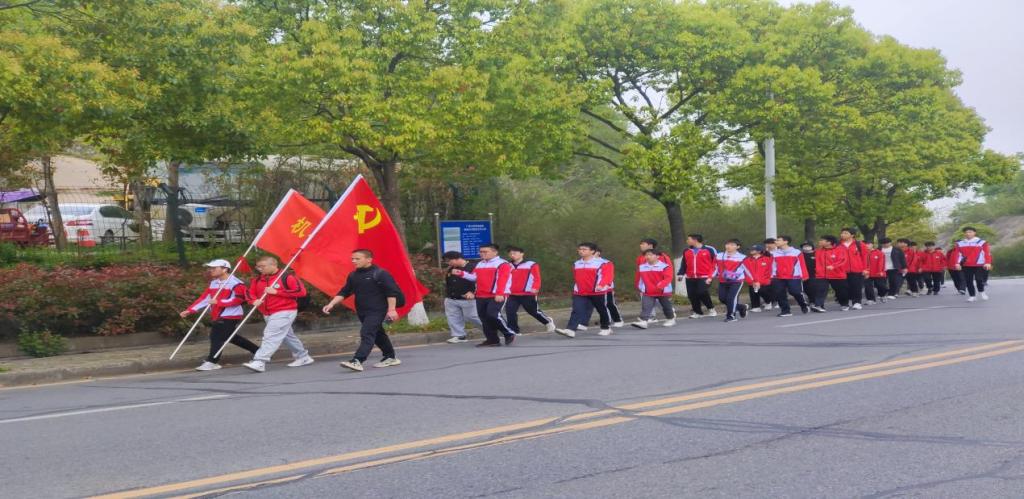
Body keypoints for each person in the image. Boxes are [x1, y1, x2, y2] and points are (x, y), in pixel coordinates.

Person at [326, 249, 403, 371]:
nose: (354, 261)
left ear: (369, 259)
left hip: (377, 310)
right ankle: (390, 357)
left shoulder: (380, 273)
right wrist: (331, 304)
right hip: (362, 311)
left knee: (367, 333)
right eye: (352, 259)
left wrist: (392, 310)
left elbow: (391, 292)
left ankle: (357, 360)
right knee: (378, 334)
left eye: (357, 259)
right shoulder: (353, 275)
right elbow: (345, 291)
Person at [180, 259, 259, 371]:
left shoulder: (236, 283)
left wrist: (219, 302)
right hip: (217, 313)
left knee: (216, 336)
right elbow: (205, 298)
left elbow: (239, 299)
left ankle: (212, 361)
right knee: (231, 337)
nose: (211, 270)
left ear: (225, 269)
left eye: (214, 268)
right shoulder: (214, 283)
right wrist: (190, 310)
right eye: (210, 268)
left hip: (231, 314)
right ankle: (258, 351)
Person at [242, 256, 315, 373]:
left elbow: (301, 292)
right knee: (287, 336)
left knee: (270, 335)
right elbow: (250, 293)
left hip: (285, 311)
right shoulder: (257, 280)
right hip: (267, 313)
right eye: (258, 267)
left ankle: (260, 361)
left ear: (273, 265)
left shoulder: (287, 277)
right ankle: (303, 356)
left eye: (262, 266)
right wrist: (253, 301)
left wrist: (277, 292)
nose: (260, 269)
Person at [454, 243, 515, 346]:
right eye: (481, 252)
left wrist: (500, 293)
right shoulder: (480, 264)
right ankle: (492, 340)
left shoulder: (502, 264)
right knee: (484, 318)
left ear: (495, 252)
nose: (482, 254)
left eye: (485, 252)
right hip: (481, 295)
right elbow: (474, 277)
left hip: (496, 295)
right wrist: (461, 273)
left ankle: (508, 333)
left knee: (493, 315)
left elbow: (503, 280)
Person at [555, 242, 613, 338]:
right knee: (577, 309)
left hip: (597, 292)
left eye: (584, 249)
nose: (581, 251)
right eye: (580, 249)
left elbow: (607, 276)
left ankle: (606, 327)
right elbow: (576, 277)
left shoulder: (603, 263)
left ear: (592, 251)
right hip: (580, 292)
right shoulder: (577, 263)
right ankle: (570, 330)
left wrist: (601, 285)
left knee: (601, 310)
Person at [505, 246, 556, 334]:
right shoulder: (507, 265)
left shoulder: (531, 264)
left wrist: (535, 287)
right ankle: (514, 331)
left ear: (522, 254)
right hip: (512, 294)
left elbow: (537, 277)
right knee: (510, 312)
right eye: (510, 254)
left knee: (533, 311)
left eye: (514, 253)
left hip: (528, 293)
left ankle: (547, 321)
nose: (512, 255)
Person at [711, 239, 757, 322]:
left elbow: (748, 270)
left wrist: (754, 280)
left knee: (731, 298)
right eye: (727, 244)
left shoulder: (742, 257)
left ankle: (731, 316)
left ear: (738, 247)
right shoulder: (719, 255)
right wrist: (710, 277)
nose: (729, 246)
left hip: (736, 281)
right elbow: (715, 268)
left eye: (732, 245)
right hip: (723, 280)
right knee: (722, 298)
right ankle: (741, 307)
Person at [441, 251, 482, 344]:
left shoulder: (473, 267)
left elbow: (479, 281)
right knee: (453, 317)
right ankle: (459, 335)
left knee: (473, 316)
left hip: (468, 298)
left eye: (449, 261)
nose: (448, 263)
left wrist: (473, 292)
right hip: (451, 297)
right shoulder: (451, 268)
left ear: (457, 258)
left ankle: (490, 330)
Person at [632, 249, 676, 329]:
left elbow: (668, 278)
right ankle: (643, 321)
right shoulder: (642, 267)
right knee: (646, 306)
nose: (648, 257)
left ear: (657, 256)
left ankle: (670, 319)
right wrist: (639, 287)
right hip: (648, 291)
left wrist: (661, 285)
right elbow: (640, 279)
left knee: (666, 307)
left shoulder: (665, 266)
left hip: (663, 291)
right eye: (646, 255)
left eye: (650, 255)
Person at [677, 234, 717, 318]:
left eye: (689, 239)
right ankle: (698, 312)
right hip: (690, 277)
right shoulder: (686, 250)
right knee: (692, 295)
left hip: (705, 276)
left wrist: (711, 276)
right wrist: (681, 274)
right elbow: (684, 263)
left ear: (695, 240)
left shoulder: (709, 249)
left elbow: (715, 263)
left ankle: (711, 308)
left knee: (701, 292)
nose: (687, 241)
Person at [770, 235, 810, 317]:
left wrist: (804, 275)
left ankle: (803, 305)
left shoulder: (796, 252)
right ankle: (786, 311)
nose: (776, 242)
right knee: (779, 293)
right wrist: (772, 275)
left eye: (778, 240)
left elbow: (802, 264)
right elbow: (772, 265)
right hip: (778, 276)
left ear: (786, 241)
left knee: (795, 292)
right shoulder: (774, 253)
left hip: (794, 276)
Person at [952, 226, 993, 302]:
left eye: (970, 232)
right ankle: (972, 296)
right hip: (966, 265)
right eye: (966, 232)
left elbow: (986, 253)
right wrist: (957, 263)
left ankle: (982, 292)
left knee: (979, 279)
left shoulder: (982, 242)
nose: (968, 234)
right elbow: (957, 254)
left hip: (979, 264)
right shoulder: (960, 244)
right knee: (968, 281)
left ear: (974, 233)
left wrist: (988, 263)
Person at [813, 235, 848, 312]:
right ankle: (819, 305)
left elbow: (843, 260)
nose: (820, 242)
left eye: (822, 240)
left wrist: (833, 266)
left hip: (837, 274)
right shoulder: (818, 251)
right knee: (820, 290)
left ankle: (844, 304)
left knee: (840, 291)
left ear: (829, 242)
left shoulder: (839, 250)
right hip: (822, 275)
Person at [838, 228, 869, 309]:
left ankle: (857, 302)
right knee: (843, 288)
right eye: (842, 233)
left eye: (845, 233)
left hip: (857, 270)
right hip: (841, 270)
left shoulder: (859, 244)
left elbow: (865, 257)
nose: (842, 235)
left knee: (856, 287)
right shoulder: (837, 245)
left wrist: (865, 269)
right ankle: (845, 303)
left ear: (852, 235)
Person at [595, 249, 624, 327]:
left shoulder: (605, 262)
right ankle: (582, 322)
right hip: (591, 289)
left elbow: (609, 276)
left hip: (606, 288)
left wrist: (603, 285)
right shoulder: (585, 263)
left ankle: (617, 319)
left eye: (595, 252)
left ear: (598, 253)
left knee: (609, 303)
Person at [744, 244, 774, 312]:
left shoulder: (767, 259)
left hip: (764, 281)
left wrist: (768, 279)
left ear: (759, 251)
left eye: (753, 249)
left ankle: (768, 302)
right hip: (752, 281)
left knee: (763, 292)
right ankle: (756, 307)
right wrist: (750, 280)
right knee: (754, 293)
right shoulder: (747, 260)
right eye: (750, 249)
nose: (751, 251)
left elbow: (770, 270)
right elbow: (746, 271)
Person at [801, 241, 818, 306]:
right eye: (804, 246)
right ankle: (809, 299)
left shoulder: (816, 254)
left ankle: (813, 301)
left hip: (813, 274)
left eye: (808, 246)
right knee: (805, 288)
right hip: (803, 275)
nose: (806, 247)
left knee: (813, 288)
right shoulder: (800, 255)